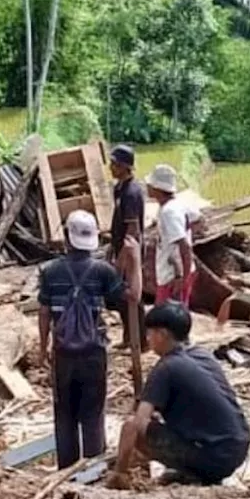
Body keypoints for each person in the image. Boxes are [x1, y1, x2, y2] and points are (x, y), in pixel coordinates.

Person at [109, 302, 250, 488]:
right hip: (237, 448)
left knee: (130, 428)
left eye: (150, 333)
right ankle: (192, 472)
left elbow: (137, 423)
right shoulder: (202, 355)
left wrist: (121, 464)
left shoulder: (166, 367)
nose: (148, 338)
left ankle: (119, 477)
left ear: (162, 335)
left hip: (213, 457)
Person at [37, 210, 126, 469]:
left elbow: (44, 313)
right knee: (93, 409)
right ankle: (94, 464)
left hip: (63, 352)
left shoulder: (49, 272)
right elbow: (124, 298)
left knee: (64, 410)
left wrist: (43, 349)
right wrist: (128, 262)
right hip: (94, 351)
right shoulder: (103, 271)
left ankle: (67, 466)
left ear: (67, 237)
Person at [109, 144, 146, 351]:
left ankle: (139, 339)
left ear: (125, 166)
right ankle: (129, 336)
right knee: (122, 297)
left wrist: (123, 258)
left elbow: (133, 229)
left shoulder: (132, 192)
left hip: (130, 252)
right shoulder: (119, 189)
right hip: (120, 247)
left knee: (132, 296)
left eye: (114, 164)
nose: (111, 167)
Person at [147, 164, 198, 307]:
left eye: (150, 185)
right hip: (173, 273)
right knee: (173, 319)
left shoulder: (168, 212)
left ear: (158, 188)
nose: (147, 187)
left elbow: (184, 245)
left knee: (167, 322)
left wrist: (182, 278)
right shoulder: (178, 204)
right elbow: (198, 219)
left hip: (173, 276)